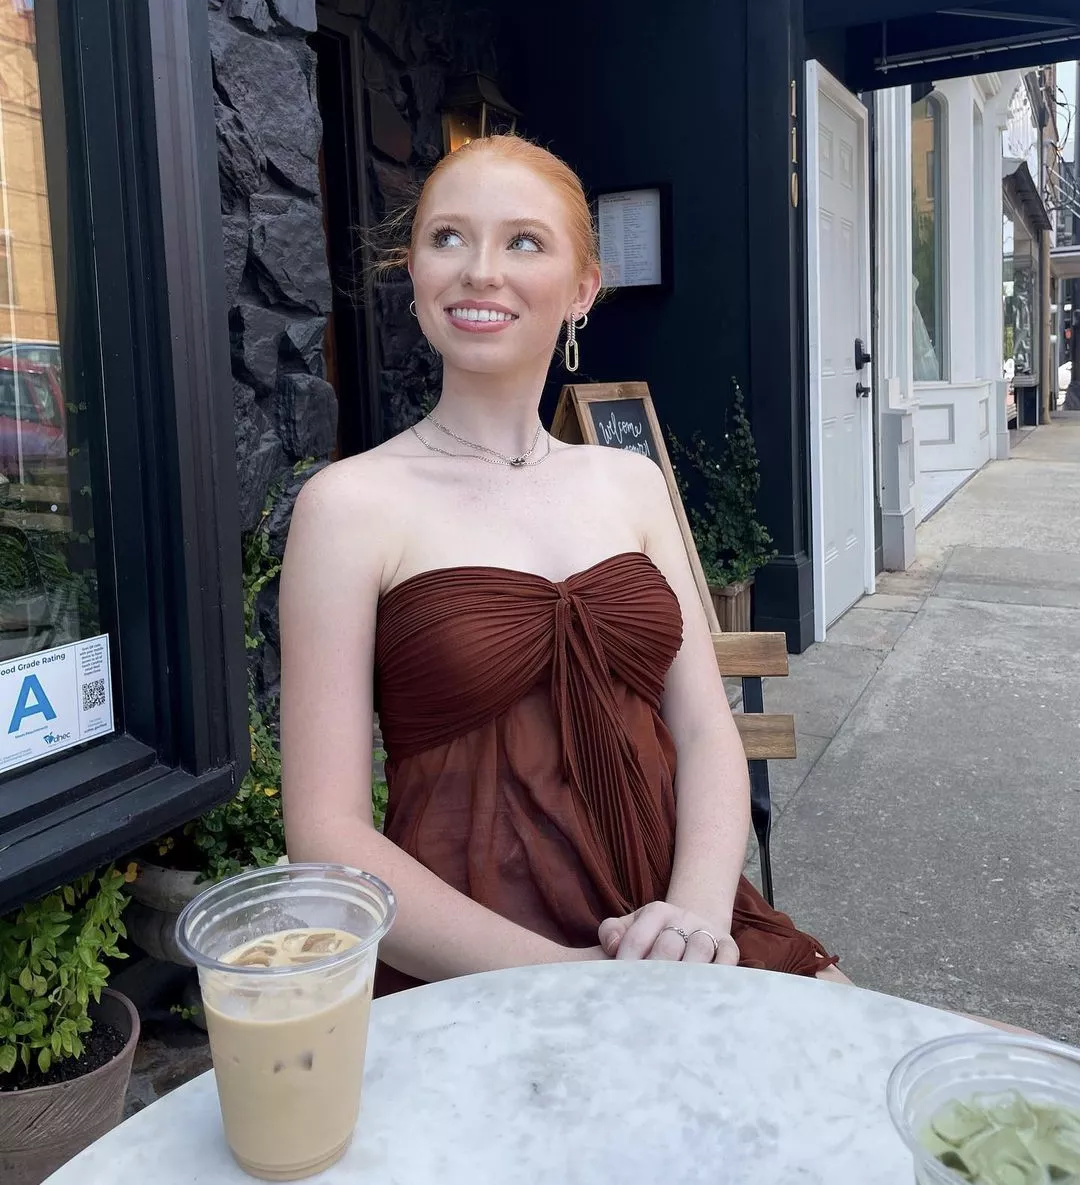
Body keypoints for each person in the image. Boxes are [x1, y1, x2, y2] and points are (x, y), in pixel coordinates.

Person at [279, 133, 847, 995]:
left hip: (678, 924)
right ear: (416, 272)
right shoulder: (348, 505)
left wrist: (690, 928)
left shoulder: (634, 483)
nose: (479, 269)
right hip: (476, 962)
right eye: (447, 237)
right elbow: (325, 834)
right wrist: (580, 976)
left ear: (582, 290)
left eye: (523, 241)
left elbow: (702, 728)